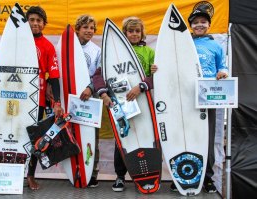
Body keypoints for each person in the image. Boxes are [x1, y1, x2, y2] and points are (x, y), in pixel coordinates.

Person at [0, 6, 63, 190]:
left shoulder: (48, 46)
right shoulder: (15, 43)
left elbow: (55, 77)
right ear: (27, 23)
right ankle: (6, 173)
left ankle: (30, 176)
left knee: (35, 140)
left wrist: (57, 102)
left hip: (36, 101)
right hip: (12, 100)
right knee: (9, 134)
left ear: (44, 24)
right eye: (32, 20)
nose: (35, 23)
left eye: (39, 20)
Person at [93, 16, 156, 192]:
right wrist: (104, 94)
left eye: (137, 31)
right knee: (122, 138)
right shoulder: (113, 53)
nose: (134, 34)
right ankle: (120, 177)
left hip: (143, 101)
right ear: (125, 33)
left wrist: (142, 86)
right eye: (130, 31)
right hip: (120, 102)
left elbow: (157, 76)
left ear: (142, 33)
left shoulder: (149, 52)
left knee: (145, 136)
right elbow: (98, 76)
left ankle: (145, 175)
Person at [170, 6, 228, 194]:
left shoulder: (216, 46)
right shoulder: (183, 43)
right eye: (195, 22)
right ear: (190, 26)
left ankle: (208, 178)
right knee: (184, 136)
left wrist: (222, 72)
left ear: (209, 25)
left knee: (207, 137)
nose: (199, 25)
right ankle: (180, 176)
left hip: (207, 97)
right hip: (185, 95)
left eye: (203, 22)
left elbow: (223, 66)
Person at [75, 14, 101, 188]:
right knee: (71, 136)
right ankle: (75, 171)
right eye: (85, 27)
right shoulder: (66, 47)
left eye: (92, 28)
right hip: (71, 98)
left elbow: (100, 74)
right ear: (77, 29)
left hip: (90, 97)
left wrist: (91, 88)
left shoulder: (97, 50)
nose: (89, 31)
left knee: (91, 137)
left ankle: (91, 172)